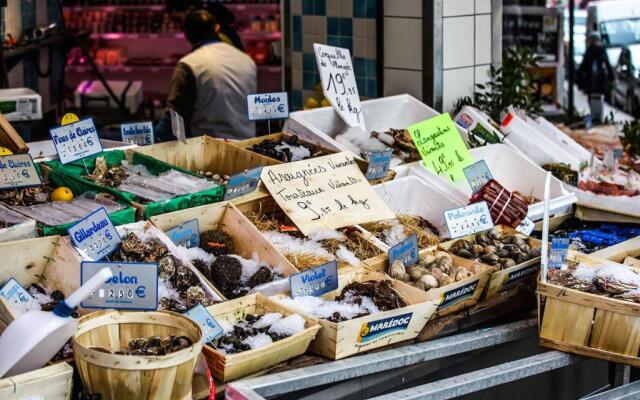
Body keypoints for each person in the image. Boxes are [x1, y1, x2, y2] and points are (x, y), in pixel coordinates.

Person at [156, 9, 256, 141]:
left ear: (186, 35)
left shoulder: (189, 64)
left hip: (208, 147)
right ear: (217, 28)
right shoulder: (246, 60)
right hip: (247, 143)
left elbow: (175, 117)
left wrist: (150, 136)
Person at [578, 32, 614, 122]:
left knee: (591, 97)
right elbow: (607, 64)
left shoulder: (589, 50)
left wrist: (579, 79)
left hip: (590, 79)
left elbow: (583, 65)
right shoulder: (602, 50)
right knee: (600, 97)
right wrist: (611, 77)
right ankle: (599, 115)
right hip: (600, 79)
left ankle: (594, 114)